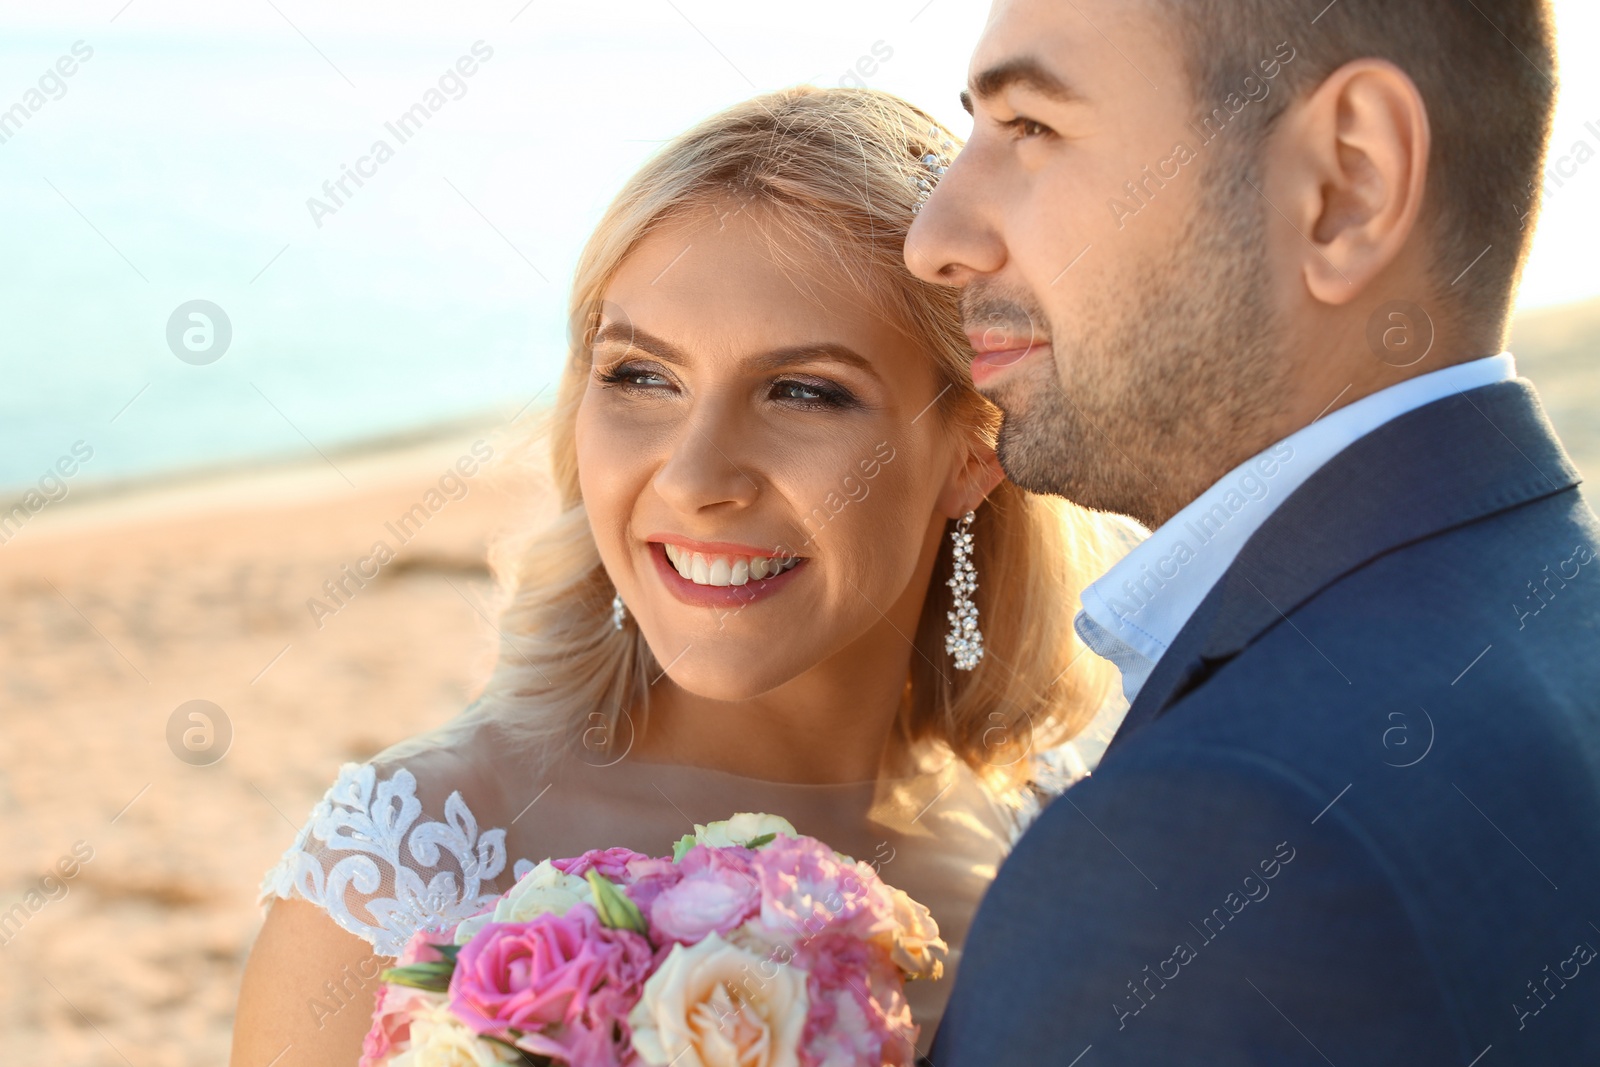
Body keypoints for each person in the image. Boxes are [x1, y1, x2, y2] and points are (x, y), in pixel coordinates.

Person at [230, 87, 1133, 1066]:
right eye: (641, 376)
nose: (697, 477)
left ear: (972, 447)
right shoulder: (404, 868)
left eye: (803, 392)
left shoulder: (1059, 861)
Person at [908, 0, 1600, 1061]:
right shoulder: (1558, 621)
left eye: (1031, 128)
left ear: (1345, 187)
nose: (933, 240)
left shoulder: (1216, 841)